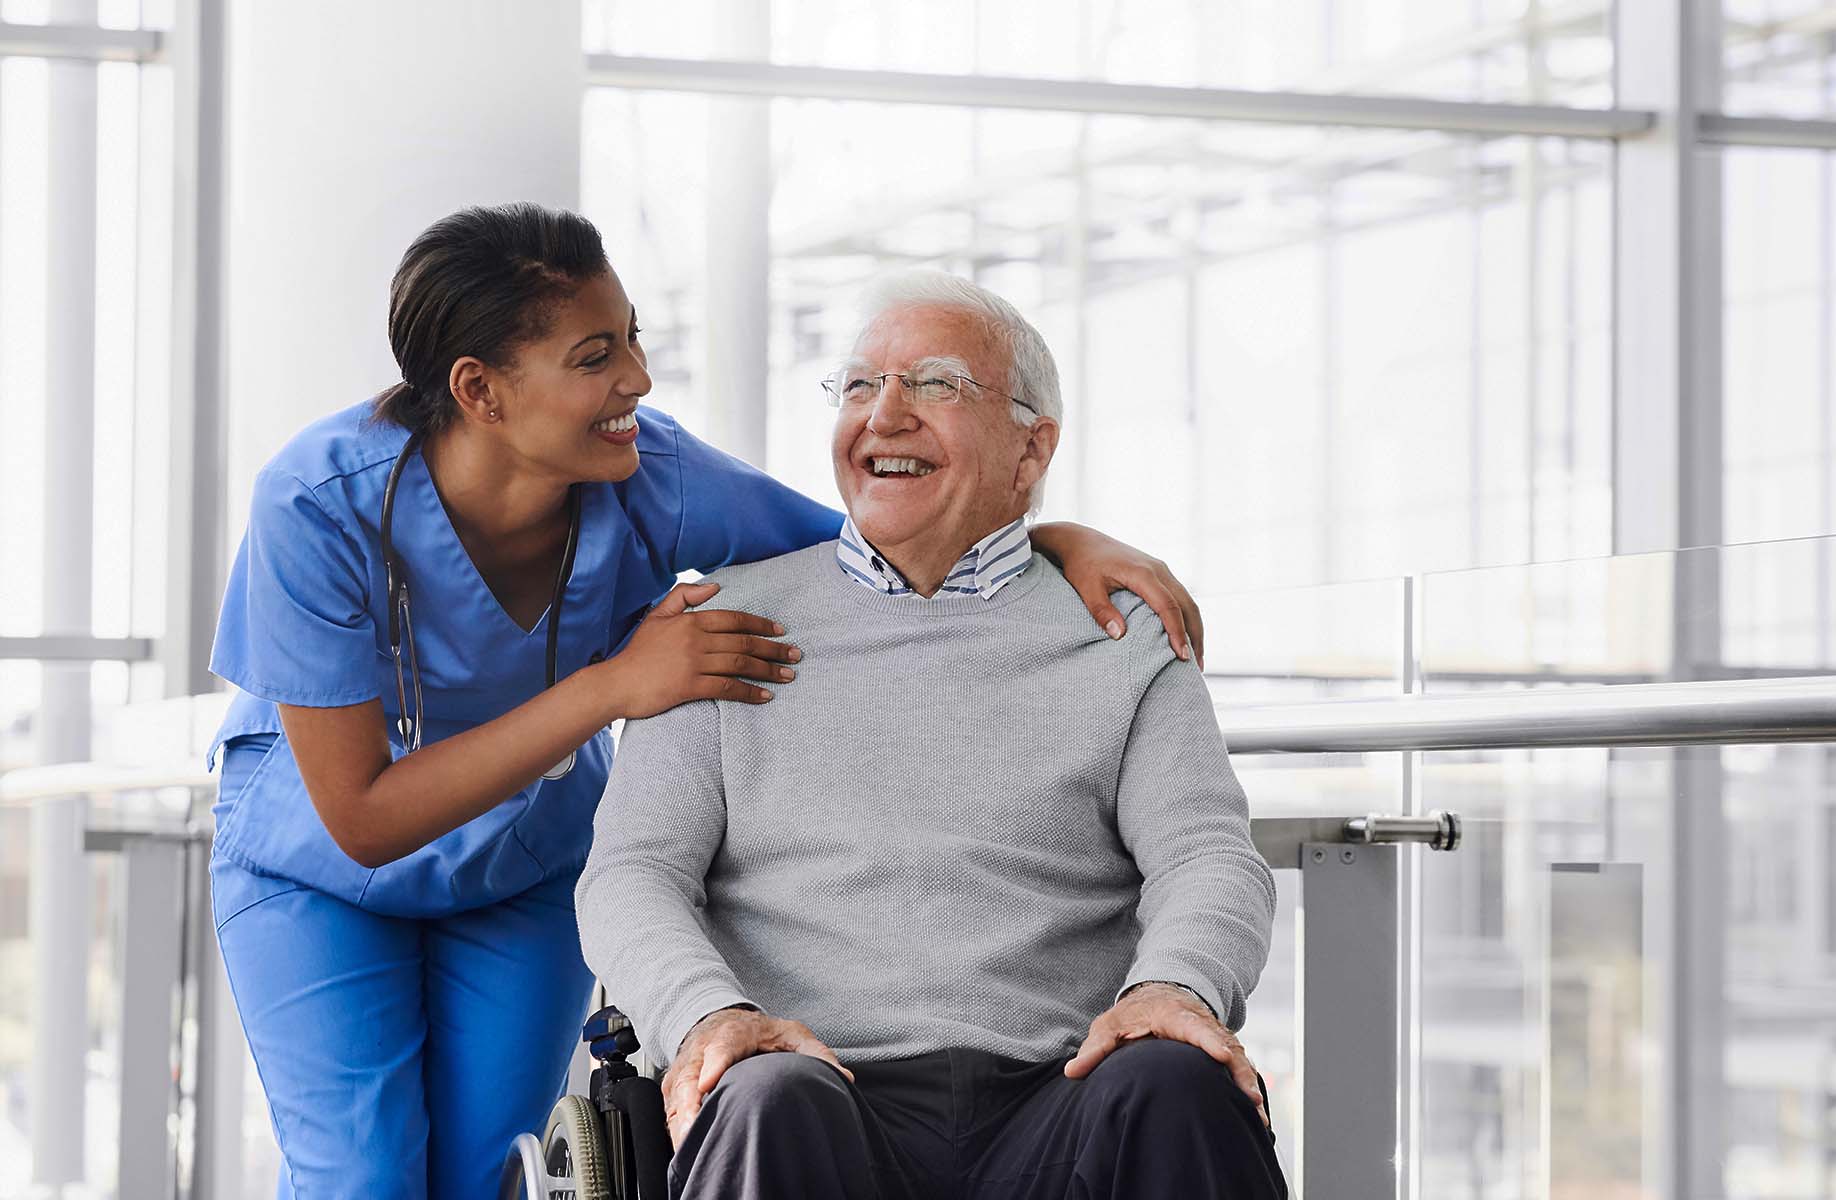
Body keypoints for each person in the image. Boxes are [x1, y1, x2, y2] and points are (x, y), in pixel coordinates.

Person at [205, 204, 1208, 1198]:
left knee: (484, 1178)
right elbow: (363, 820)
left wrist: (1055, 537)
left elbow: (892, 531)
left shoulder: (655, 474)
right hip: (321, 869)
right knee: (363, 1176)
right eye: (595, 355)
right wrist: (613, 687)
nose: (636, 378)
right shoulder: (317, 505)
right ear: (482, 390)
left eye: (633, 337)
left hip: (515, 864)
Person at [577, 270, 1284, 1199]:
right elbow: (631, 873)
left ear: (1031, 452)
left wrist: (1176, 988)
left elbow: (1208, 857)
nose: (886, 414)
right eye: (861, 385)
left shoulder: (1122, 637)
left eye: (937, 383)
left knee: (1174, 1078)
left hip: (1061, 1090)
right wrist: (709, 1016)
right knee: (764, 1100)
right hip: (813, 1084)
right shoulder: (719, 626)